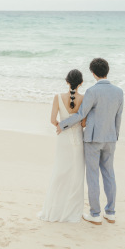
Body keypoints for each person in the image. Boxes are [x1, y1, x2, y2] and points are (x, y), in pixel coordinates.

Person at [58, 58, 123, 225]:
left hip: (93, 139)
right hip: (110, 138)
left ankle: (95, 214)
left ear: (93, 73)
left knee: (93, 176)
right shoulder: (119, 92)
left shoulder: (92, 92)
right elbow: (118, 117)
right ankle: (111, 212)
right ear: (107, 71)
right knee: (109, 174)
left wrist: (62, 124)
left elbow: (80, 115)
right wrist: (115, 135)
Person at [37, 69, 86, 222]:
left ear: (66, 81)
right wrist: (75, 125)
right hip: (78, 139)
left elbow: (53, 120)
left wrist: (60, 126)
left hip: (63, 139)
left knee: (60, 172)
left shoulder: (57, 97)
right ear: (81, 83)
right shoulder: (84, 98)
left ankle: (54, 209)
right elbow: (83, 123)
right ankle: (72, 211)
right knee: (76, 175)